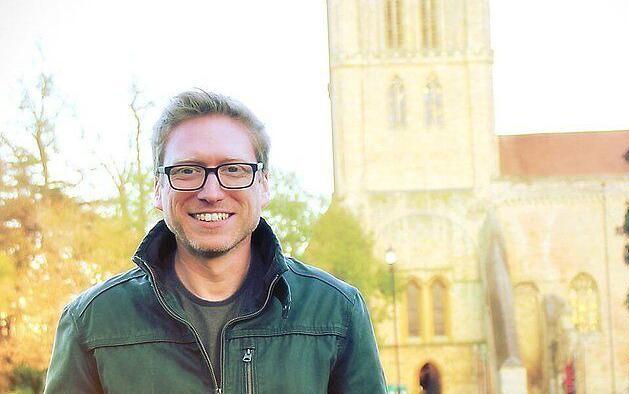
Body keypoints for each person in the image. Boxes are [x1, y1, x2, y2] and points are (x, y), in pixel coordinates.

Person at [44, 90, 386, 393]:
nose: (210, 192)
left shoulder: (336, 312)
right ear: (158, 189)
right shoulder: (92, 322)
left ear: (264, 185)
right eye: (187, 170)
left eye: (234, 169)